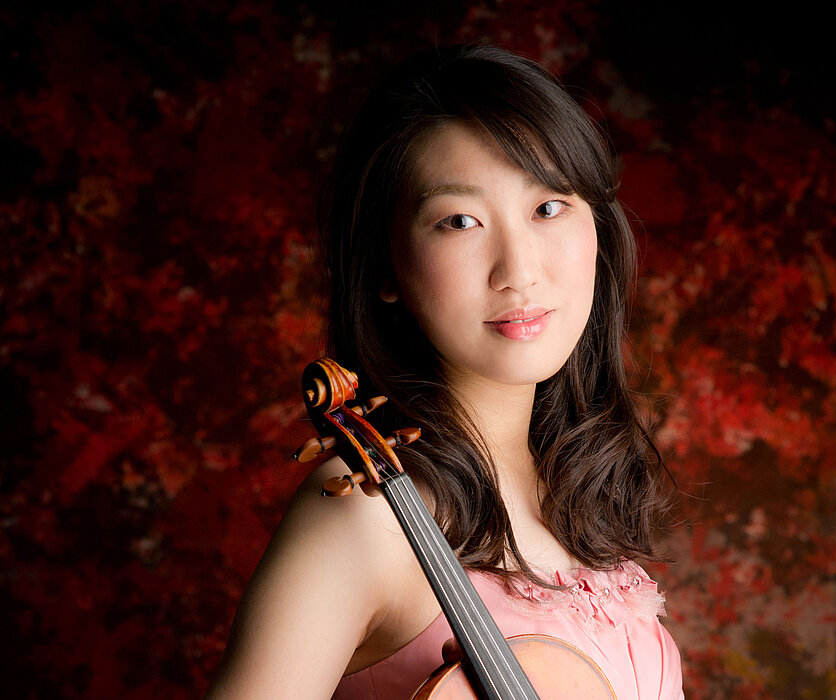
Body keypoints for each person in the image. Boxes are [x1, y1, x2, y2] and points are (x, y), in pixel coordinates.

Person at [206, 44, 683, 699]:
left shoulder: (572, 494)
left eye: (548, 208)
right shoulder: (366, 516)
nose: (518, 271)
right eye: (459, 222)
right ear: (386, 266)